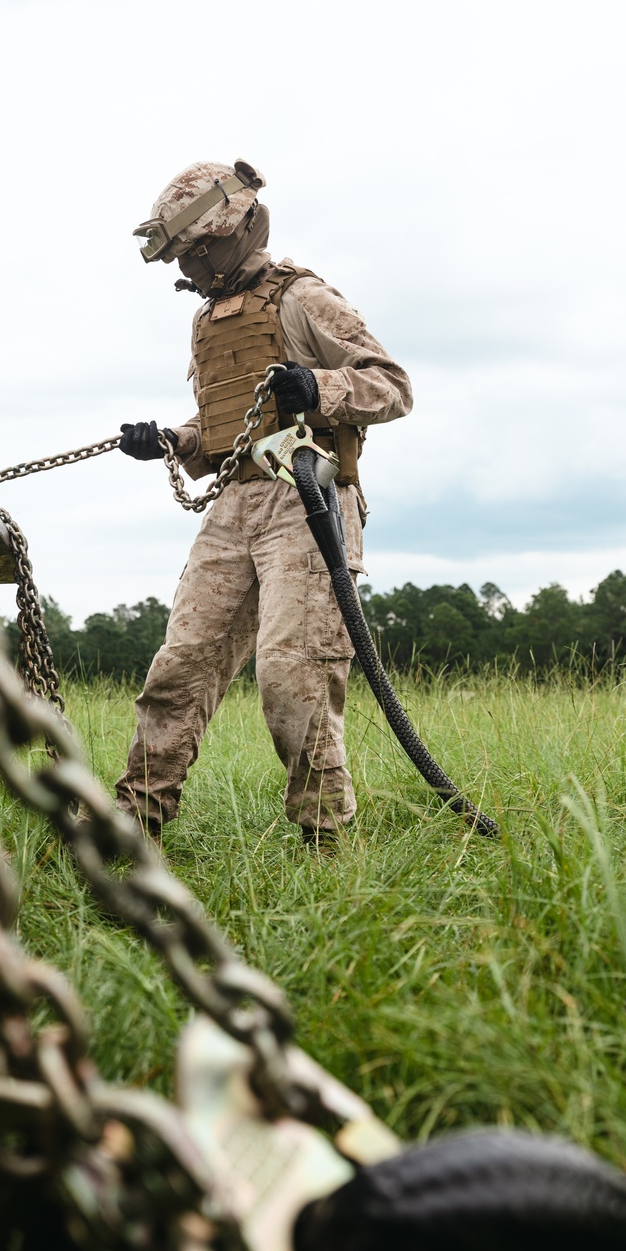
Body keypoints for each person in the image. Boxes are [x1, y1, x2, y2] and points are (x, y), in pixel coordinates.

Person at [114, 159, 412, 838]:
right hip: (233, 507)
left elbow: (391, 386)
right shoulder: (207, 323)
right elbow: (226, 429)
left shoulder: (303, 298)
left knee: (291, 677)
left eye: (195, 254)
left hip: (304, 504)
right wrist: (170, 440)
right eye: (182, 259)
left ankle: (324, 842)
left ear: (233, 233)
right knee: (178, 669)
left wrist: (321, 388)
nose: (187, 271)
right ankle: (132, 829)